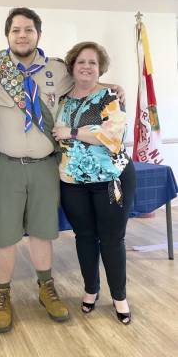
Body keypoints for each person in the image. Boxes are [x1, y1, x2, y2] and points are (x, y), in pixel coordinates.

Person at [0, 7, 72, 333]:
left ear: (38, 34)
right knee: (3, 236)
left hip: (45, 167)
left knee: (44, 231)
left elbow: (86, 85)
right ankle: (2, 294)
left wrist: (114, 87)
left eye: (28, 30)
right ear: (7, 34)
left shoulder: (59, 70)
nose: (22, 35)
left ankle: (46, 287)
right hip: (3, 165)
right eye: (16, 30)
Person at [52, 41, 136, 325]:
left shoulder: (110, 95)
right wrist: (85, 131)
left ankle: (119, 297)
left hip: (111, 180)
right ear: (72, 67)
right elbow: (55, 131)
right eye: (81, 62)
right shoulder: (62, 99)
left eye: (93, 63)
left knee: (113, 240)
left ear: (100, 69)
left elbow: (113, 137)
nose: (86, 66)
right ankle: (90, 291)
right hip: (72, 182)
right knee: (85, 237)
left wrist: (72, 132)